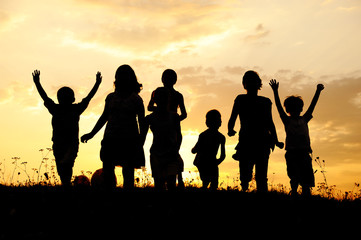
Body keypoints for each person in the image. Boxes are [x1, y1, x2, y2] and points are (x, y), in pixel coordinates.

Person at [32, 69, 102, 186]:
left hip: (70, 144)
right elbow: (88, 98)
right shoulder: (63, 109)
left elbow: (45, 97)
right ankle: (66, 185)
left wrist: (37, 83)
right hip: (59, 144)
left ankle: (66, 186)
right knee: (62, 168)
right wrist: (97, 84)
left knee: (66, 164)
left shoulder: (66, 109)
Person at [81, 65, 145, 189]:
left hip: (129, 140)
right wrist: (91, 134)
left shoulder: (136, 99)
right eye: (119, 76)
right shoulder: (111, 97)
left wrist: (140, 142)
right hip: (111, 139)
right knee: (108, 171)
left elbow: (142, 123)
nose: (121, 78)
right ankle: (110, 199)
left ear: (130, 79)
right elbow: (104, 117)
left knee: (128, 172)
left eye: (124, 76)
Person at [228, 70, 283, 192]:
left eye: (254, 82)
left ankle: (261, 195)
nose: (251, 84)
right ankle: (244, 190)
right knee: (245, 173)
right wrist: (230, 128)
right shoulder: (240, 99)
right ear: (244, 84)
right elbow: (233, 116)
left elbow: (270, 122)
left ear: (259, 84)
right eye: (248, 82)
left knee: (261, 175)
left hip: (262, 141)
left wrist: (276, 140)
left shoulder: (265, 102)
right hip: (246, 140)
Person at [269, 79, 324, 196]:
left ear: (301, 108)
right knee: (294, 176)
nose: (296, 109)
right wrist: (275, 91)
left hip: (304, 152)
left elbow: (313, 105)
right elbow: (278, 107)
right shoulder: (287, 120)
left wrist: (318, 91)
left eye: (298, 107)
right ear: (288, 110)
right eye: (294, 107)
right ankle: (294, 192)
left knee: (306, 177)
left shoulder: (304, 119)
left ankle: (305, 193)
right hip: (292, 153)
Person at [147, 69, 186, 189]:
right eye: (166, 78)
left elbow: (184, 114)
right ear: (162, 79)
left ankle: (178, 177)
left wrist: (173, 119)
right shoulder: (156, 93)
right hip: (160, 124)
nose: (168, 80)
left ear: (174, 80)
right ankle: (174, 179)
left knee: (174, 151)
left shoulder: (178, 96)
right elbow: (149, 107)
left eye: (170, 78)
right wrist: (160, 112)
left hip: (172, 127)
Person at [142, 87, 183, 191]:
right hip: (157, 154)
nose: (163, 100)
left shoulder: (174, 117)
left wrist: (176, 150)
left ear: (168, 99)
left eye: (164, 98)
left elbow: (179, 135)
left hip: (171, 154)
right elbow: (142, 137)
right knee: (159, 185)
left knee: (171, 184)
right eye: (160, 98)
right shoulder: (150, 118)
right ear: (155, 100)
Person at [192, 109, 226, 190]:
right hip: (207, 162)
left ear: (207, 122)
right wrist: (217, 162)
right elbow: (223, 155)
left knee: (208, 182)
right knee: (212, 183)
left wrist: (217, 162)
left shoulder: (203, 135)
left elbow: (194, 150)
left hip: (205, 162)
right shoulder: (220, 137)